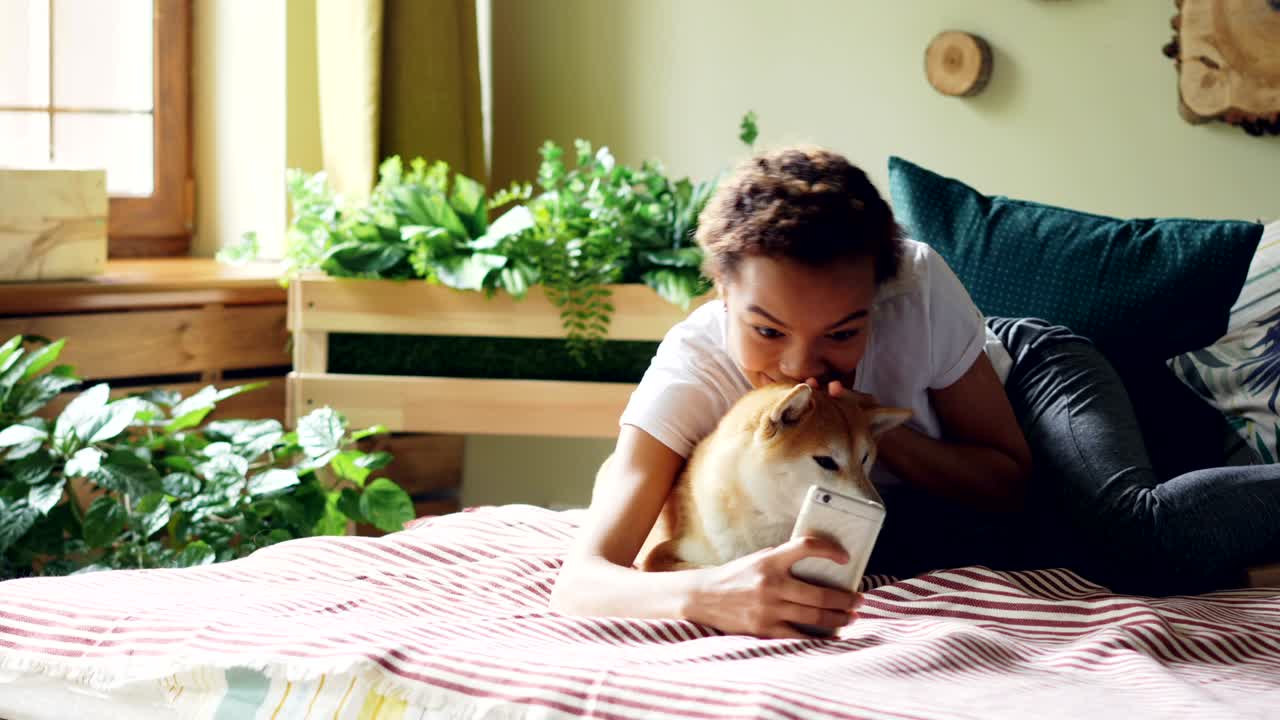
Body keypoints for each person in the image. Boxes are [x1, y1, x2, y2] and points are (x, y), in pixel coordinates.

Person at [549, 145, 1280, 639]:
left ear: (881, 295)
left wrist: (867, 429)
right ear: (721, 293)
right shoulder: (692, 367)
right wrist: (710, 595)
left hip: (1028, 373)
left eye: (842, 332)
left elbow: (1004, 477)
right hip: (940, 497)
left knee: (1128, 534)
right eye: (767, 332)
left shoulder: (919, 283)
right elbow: (582, 581)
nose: (804, 366)